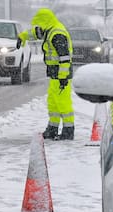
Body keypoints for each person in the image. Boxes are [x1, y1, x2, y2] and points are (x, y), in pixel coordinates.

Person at [19, 8, 75, 140]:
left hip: (62, 75)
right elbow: (35, 33)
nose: (38, 27)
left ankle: (68, 130)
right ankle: (53, 128)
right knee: (53, 102)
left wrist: (63, 78)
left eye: (40, 23)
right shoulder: (49, 29)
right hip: (55, 74)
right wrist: (22, 37)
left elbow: (65, 57)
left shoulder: (57, 34)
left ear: (45, 22)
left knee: (63, 102)